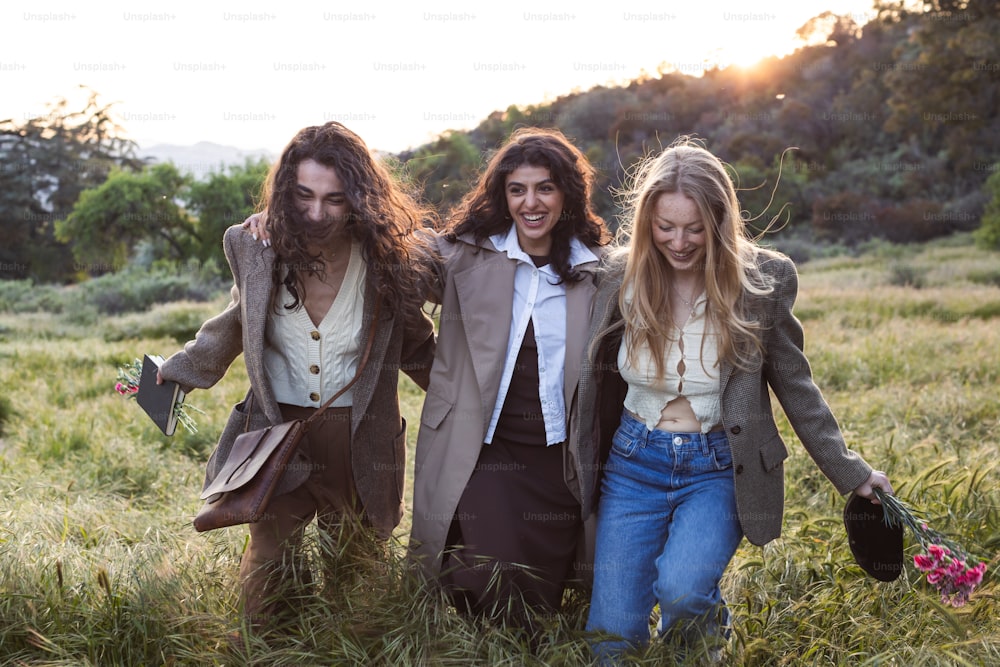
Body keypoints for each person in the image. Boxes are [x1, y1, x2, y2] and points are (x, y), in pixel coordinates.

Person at [579, 138, 894, 661]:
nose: (678, 242)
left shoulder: (763, 279)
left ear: (720, 221)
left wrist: (851, 471)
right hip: (634, 462)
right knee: (610, 640)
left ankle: (705, 645)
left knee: (682, 592)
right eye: (665, 226)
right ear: (646, 223)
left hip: (719, 465)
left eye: (695, 228)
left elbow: (795, 382)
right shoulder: (618, 275)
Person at [157, 122, 436, 631]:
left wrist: (473, 400)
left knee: (357, 577)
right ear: (286, 191)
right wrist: (179, 372)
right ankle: (267, 652)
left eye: (334, 199)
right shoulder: (253, 245)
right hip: (276, 432)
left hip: (362, 437)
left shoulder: (392, 255)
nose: (316, 213)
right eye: (303, 196)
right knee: (267, 571)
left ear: (360, 197)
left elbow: (416, 339)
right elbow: (239, 320)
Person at [407, 127, 611, 633]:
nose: (531, 203)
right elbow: (382, 249)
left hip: (561, 456)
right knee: (487, 572)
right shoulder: (462, 257)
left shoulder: (601, 271)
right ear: (502, 196)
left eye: (544, 187)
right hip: (488, 449)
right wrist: (276, 222)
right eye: (517, 190)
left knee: (548, 587)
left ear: (568, 193)